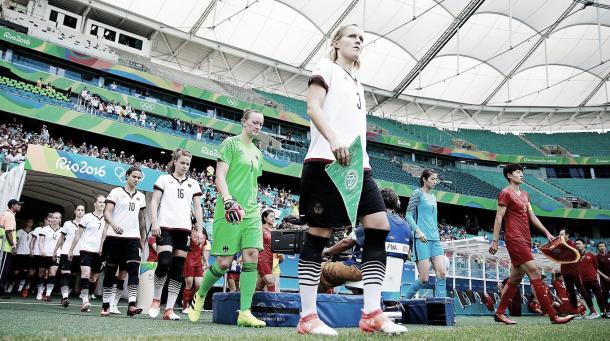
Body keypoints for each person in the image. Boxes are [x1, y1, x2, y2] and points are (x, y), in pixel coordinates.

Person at [294, 24, 405, 336]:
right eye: (353, 36)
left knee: (379, 226)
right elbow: (313, 107)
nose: (359, 41)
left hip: (359, 165)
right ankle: (307, 317)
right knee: (319, 234)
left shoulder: (358, 83)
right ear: (336, 42)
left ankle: (372, 312)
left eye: (362, 39)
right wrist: (332, 139)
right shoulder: (325, 68)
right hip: (326, 161)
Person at [189, 109, 266, 328]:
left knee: (251, 256)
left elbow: (252, 183)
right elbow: (220, 176)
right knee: (223, 263)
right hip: (229, 209)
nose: (257, 127)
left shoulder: (258, 153)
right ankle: (200, 295)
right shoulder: (230, 144)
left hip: (250, 212)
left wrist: (256, 205)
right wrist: (228, 200)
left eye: (261, 124)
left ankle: (245, 312)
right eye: (254, 122)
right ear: (244, 122)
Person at [489, 164, 573, 325]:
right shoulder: (505, 193)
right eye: (518, 172)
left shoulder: (525, 194)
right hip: (514, 239)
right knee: (535, 272)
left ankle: (499, 313)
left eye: (522, 172)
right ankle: (553, 316)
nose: (521, 174)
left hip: (526, 240)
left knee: (514, 278)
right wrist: (494, 241)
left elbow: (532, 216)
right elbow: (498, 218)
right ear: (509, 175)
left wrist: (547, 233)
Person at [149, 149, 204, 321]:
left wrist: (200, 230)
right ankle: (156, 299)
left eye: (188, 164)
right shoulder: (164, 179)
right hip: (165, 227)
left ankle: (169, 309)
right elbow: (154, 201)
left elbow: (198, 208)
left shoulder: (194, 183)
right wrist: (155, 223)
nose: (185, 166)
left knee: (178, 269)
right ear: (174, 162)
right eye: (182, 163)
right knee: (164, 262)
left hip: (184, 230)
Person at [101, 166, 147, 317]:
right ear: (127, 176)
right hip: (114, 238)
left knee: (133, 270)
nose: (136, 180)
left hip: (133, 239)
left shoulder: (141, 196)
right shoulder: (116, 192)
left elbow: (141, 220)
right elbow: (106, 212)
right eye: (134, 176)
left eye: (139, 178)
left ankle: (132, 305)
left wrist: (142, 239)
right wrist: (114, 225)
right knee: (110, 272)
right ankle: (106, 305)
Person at [403, 170, 446, 299]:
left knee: (442, 273)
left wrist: (438, 236)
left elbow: (433, 219)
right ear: (424, 179)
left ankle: (441, 306)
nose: (435, 182)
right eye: (432, 179)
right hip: (421, 240)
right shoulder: (417, 193)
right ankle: (404, 300)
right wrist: (418, 231)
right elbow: (408, 215)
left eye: (436, 179)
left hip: (435, 240)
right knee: (424, 278)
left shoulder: (433, 197)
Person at [70, 195, 106, 312]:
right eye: (100, 202)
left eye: (104, 202)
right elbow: (78, 234)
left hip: (100, 252)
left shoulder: (108, 218)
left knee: (94, 277)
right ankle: (84, 300)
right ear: (95, 204)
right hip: (86, 250)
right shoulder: (87, 217)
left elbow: (107, 236)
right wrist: (71, 250)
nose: (102, 204)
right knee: (85, 273)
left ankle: (89, 297)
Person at [53, 205, 85, 307]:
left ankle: (65, 296)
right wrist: (55, 250)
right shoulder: (67, 224)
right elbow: (61, 238)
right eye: (78, 210)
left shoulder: (86, 225)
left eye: (82, 210)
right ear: (75, 211)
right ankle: (65, 297)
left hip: (80, 254)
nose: (80, 212)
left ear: (84, 212)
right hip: (66, 252)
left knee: (73, 276)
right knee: (65, 274)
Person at [575, 238, 606, 319]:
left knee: (599, 296)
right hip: (583, 281)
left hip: (593, 280)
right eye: (576, 244)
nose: (577, 245)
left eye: (579, 243)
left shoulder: (591, 255)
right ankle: (593, 312)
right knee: (587, 297)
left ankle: (603, 312)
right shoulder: (576, 257)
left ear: (584, 245)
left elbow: (596, 266)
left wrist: (594, 275)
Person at [559, 228, 588, 314]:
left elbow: (577, 255)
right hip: (565, 271)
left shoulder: (573, 244)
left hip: (574, 271)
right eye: (559, 234)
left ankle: (593, 310)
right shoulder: (560, 244)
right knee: (570, 291)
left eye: (562, 234)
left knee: (581, 290)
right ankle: (575, 311)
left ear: (567, 235)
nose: (560, 236)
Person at [181, 223, 208, 314]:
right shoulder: (189, 234)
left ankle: (187, 299)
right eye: (197, 221)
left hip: (198, 262)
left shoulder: (204, 235)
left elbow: (203, 250)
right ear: (193, 224)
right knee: (189, 284)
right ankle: (185, 306)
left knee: (199, 286)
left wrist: (206, 262)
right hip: (189, 261)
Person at [38, 212, 63, 301]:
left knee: (52, 273)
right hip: (45, 254)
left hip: (56, 255)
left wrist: (62, 253)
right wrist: (41, 250)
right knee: (41, 273)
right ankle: (40, 292)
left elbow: (63, 244)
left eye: (56, 218)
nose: (54, 219)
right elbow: (41, 241)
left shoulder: (63, 230)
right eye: (53, 217)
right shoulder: (45, 229)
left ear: (60, 219)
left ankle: (48, 294)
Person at [0, 199, 21, 297]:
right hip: (5, 247)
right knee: (3, 270)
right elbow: (8, 232)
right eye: (18, 205)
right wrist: (13, 246)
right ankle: (1, 290)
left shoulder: (5, 214)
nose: (20, 206)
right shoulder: (10, 216)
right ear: (13, 205)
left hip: (3, 247)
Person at [11, 218, 34, 296]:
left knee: (25, 272)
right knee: (16, 271)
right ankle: (11, 286)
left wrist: (32, 252)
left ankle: (20, 289)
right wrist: (14, 249)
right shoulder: (19, 231)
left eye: (31, 222)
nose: (30, 223)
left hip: (28, 255)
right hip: (19, 254)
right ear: (26, 222)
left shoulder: (33, 232)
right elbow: (16, 242)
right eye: (28, 221)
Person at [256, 210, 276, 292]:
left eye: (274, 217)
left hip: (270, 259)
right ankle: (273, 304)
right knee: (271, 283)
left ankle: (246, 301)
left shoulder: (274, 231)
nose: (273, 218)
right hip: (262, 258)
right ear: (265, 218)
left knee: (260, 286)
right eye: (271, 216)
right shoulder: (260, 229)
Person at [596, 242, 610, 317]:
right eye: (600, 246)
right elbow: (596, 269)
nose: (601, 247)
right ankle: (607, 311)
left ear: (605, 247)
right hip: (604, 280)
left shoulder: (608, 255)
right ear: (597, 248)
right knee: (605, 296)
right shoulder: (597, 257)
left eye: (603, 246)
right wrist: (604, 277)